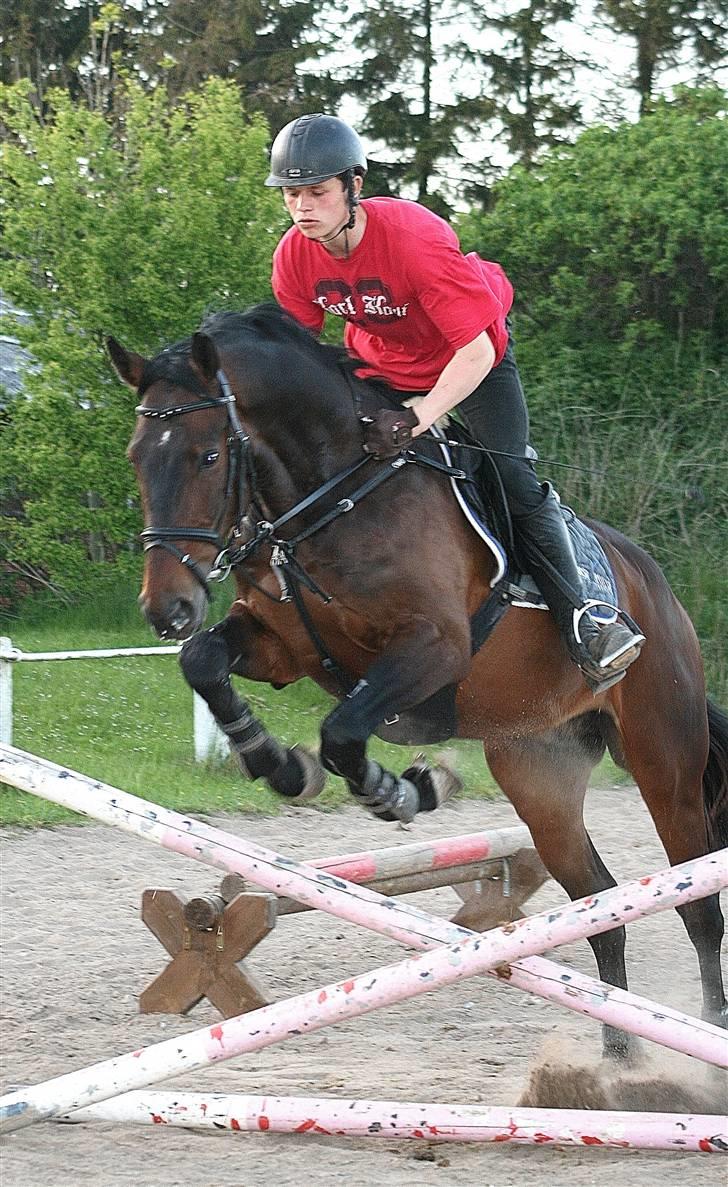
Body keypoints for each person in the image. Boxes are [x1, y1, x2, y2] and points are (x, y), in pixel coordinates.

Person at [265, 112, 645, 691]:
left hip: (473, 359)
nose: (302, 208)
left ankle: (587, 619)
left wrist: (421, 416)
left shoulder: (414, 239)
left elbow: (473, 351)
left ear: (354, 186)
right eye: (292, 194)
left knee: (512, 478)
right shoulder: (294, 256)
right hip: (383, 366)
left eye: (317, 192)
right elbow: (297, 356)